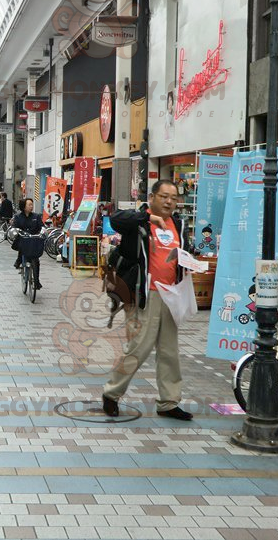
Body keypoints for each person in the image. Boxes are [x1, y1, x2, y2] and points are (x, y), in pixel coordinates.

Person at [101, 179, 194, 421]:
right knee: (138, 348)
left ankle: (169, 402)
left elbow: (183, 251)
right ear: (152, 198)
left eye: (173, 197)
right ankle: (111, 394)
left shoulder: (179, 225)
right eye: (164, 196)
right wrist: (145, 218)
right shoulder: (139, 222)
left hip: (171, 295)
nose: (169, 201)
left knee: (169, 351)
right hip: (145, 294)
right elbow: (116, 219)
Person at [11, 198, 44, 289]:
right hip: (23, 239)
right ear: (24, 206)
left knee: (36, 261)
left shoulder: (36, 216)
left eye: (32, 204)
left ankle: (36, 281)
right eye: (29, 204)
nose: (31, 206)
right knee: (21, 244)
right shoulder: (18, 216)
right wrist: (15, 231)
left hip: (34, 240)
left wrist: (43, 231)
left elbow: (41, 226)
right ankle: (19, 260)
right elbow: (14, 226)